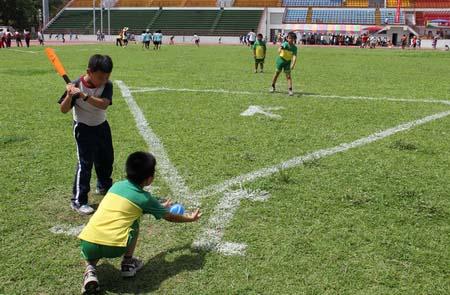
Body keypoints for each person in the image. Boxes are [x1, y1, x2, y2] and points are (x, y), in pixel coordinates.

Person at [78, 151, 202, 294]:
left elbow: (136, 200)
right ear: (149, 179)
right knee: (134, 221)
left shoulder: (116, 186)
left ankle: (91, 270)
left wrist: (158, 203)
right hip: (114, 247)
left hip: (88, 242)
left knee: (101, 232)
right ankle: (128, 263)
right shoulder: (145, 199)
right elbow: (169, 216)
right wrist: (190, 218)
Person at [58, 55, 115, 215]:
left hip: (102, 126)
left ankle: (104, 186)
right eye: (100, 77)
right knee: (85, 163)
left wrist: (83, 96)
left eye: (107, 76)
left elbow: (104, 104)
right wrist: (70, 95)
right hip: (83, 128)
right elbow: (63, 109)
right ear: (89, 72)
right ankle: (78, 200)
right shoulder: (76, 84)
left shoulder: (107, 85)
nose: (104, 80)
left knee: (106, 158)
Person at [270, 31, 298, 96]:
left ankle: (290, 90)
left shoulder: (294, 48)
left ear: (294, 39)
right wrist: (279, 49)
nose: (290, 40)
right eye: (289, 38)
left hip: (287, 62)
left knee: (288, 77)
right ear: (287, 38)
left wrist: (293, 64)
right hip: (280, 61)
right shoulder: (285, 44)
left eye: (292, 38)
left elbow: (294, 57)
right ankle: (272, 86)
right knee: (276, 74)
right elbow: (280, 48)